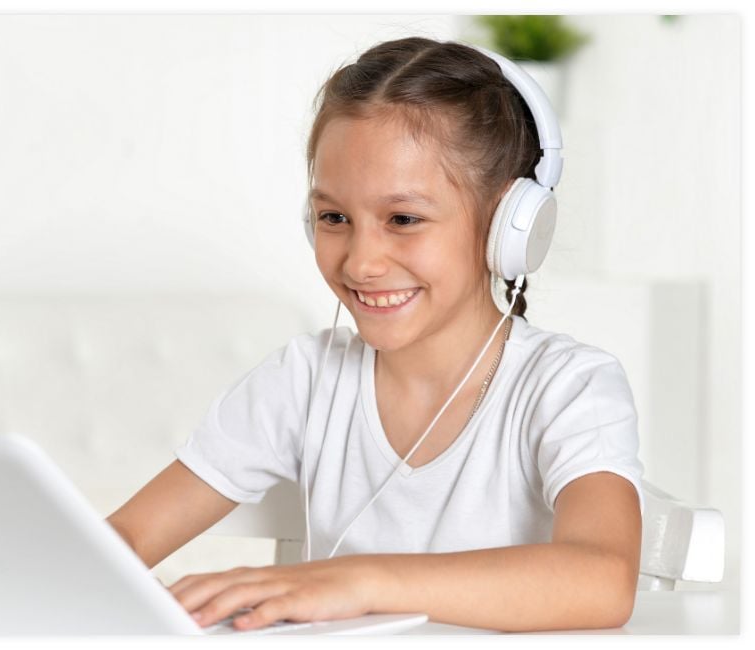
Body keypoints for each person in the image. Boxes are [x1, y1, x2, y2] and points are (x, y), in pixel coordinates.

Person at [106, 36, 644, 633]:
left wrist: (360, 581)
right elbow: (123, 539)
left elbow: (603, 579)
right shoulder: (303, 380)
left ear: (510, 228)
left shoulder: (569, 388)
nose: (361, 262)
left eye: (404, 219)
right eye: (334, 217)